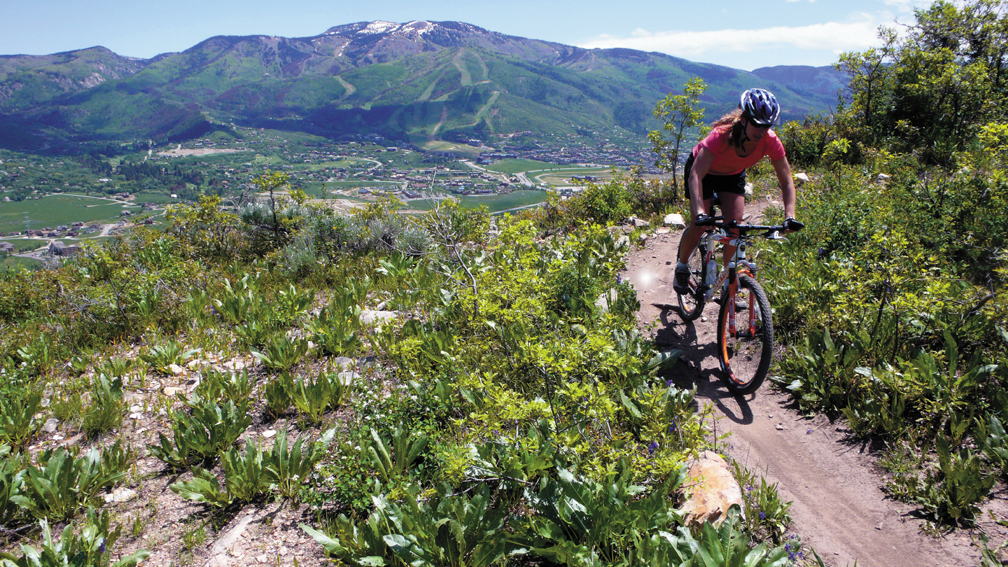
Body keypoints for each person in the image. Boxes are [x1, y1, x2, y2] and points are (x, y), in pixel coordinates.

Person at [672, 88, 800, 296]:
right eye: (757, 124)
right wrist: (700, 213)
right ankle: (682, 266)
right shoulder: (720, 136)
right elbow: (696, 175)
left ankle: (727, 281)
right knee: (699, 225)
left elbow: (786, 182)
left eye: (766, 125)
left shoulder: (771, 141)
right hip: (703, 172)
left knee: (735, 228)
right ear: (744, 119)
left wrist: (790, 217)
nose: (762, 130)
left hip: (732, 174)